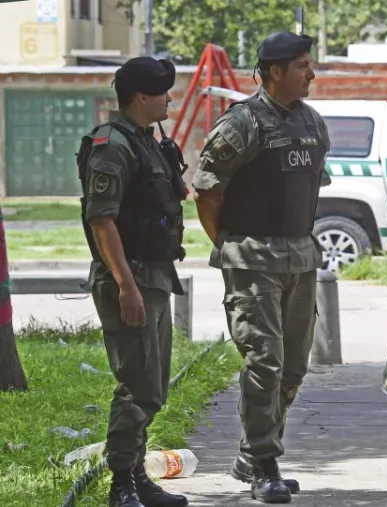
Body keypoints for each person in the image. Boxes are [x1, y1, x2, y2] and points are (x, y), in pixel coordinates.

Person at [191, 31, 331, 504]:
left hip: (300, 259)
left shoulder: (312, 123)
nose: (312, 74)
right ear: (275, 72)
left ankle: (252, 456)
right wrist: (231, 246)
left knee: (292, 369)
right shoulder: (242, 123)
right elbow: (207, 192)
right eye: (303, 66)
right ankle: (265, 465)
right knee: (264, 362)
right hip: (253, 261)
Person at [76, 56, 189, 507]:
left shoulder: (146, 141)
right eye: (162, 91)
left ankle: (137, 476)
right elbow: (102, 221)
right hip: (130, 277)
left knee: (153, 386)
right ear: (141, 97)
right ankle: (121, 483)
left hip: (154, 275)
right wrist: (126, 285)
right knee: (138, 384)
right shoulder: (112, 145)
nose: (169, 99)